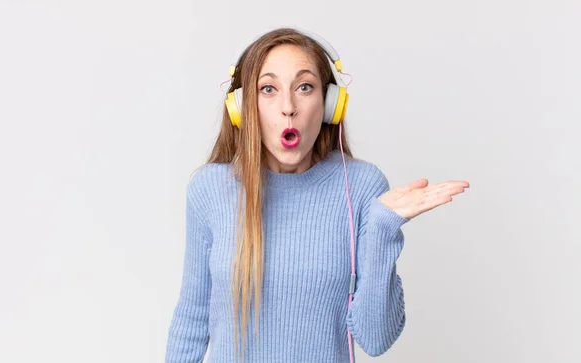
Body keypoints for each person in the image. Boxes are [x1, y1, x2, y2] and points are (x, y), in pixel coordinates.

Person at [165, 27, 469, 363]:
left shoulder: (362, 186)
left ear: (328, 104)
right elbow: (191, 320)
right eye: (268, 89)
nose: (288, 108)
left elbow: (376, 338)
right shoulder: (210, 189)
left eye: (304, 87)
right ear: (243, 108)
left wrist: (383, 230)